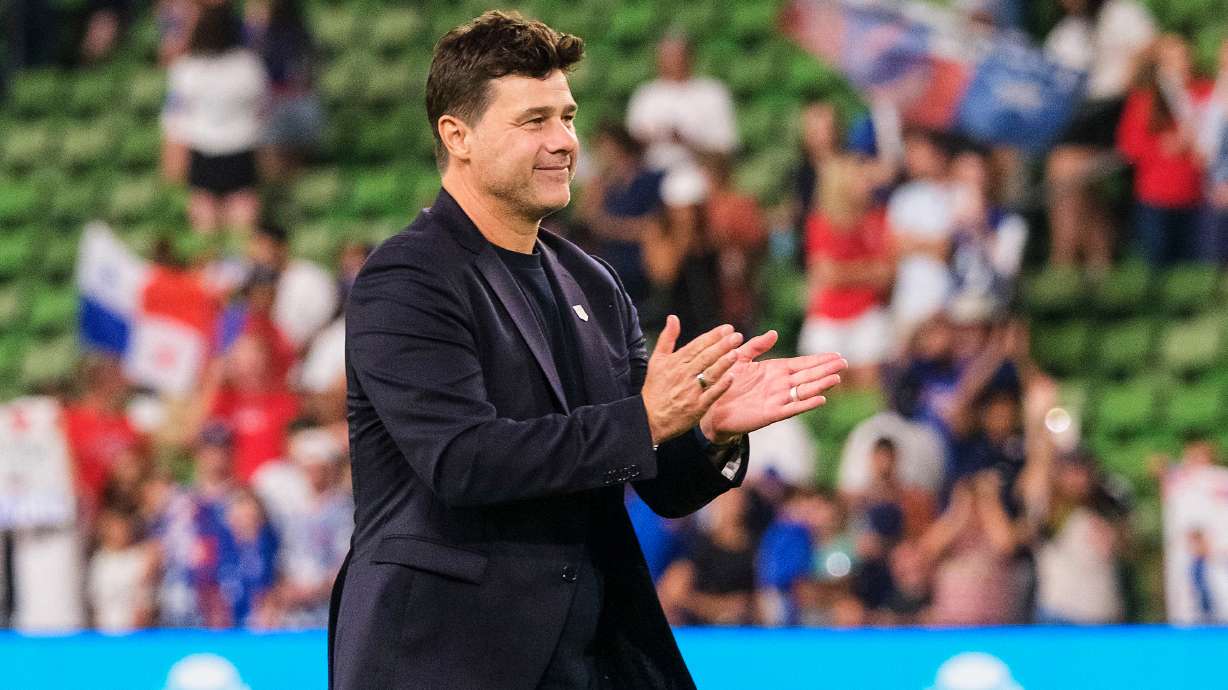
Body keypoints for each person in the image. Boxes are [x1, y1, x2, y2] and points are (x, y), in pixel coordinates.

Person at [329, 12, 848, 690]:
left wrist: (708, 429)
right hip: (449, 655)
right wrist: (647, 420)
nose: (565, 142)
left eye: (567, 117)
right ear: (458, 136)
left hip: (590, 659)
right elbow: (461, 461)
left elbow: (656, 478)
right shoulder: (409, 278)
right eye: (534, 121)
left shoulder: (593, 282)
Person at [1044, 0, 1156, 269]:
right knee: (1077, 181)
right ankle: (1094, 261)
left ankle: (1064, 260)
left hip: (1119, 109)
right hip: (1082, 114)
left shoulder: (1124, 14)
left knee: (1066, 171)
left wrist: (1131, 76)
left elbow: (1151, 52)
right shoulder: (1064, 34)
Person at [161, 4, 268, 235]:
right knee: (241, 204)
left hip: (206, 148)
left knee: (205, 208)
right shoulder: (248, 65)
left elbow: (174, 118)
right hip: (238, 147)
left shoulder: (185, 69)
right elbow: (263, 108)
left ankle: (212, 255)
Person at [798, 155, 893, 388]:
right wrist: (866, 271)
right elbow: (826, 273)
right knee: (826, 383)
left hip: (867, 312)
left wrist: (843, 273)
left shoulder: (877, 219)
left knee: (867, 383)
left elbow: (886, 274)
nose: (867, 184)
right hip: (829, 314)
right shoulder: (821, 222)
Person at [1117, 35, 1212, 266]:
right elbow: (1129, 145)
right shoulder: (1146, 98)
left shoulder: (1204, 91)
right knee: (1160, 262)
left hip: (1198, 193)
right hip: (1157, 194)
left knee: (1197, 265)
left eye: (1185, 56)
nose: (1183, 63)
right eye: (1174, 58)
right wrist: (1163, 146)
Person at [625, 33, 738, 174]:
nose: (671, 61)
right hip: (650, 171)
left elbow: (726, 146)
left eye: (676, 55)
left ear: (690, 56)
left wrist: (686, 141)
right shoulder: (646, 94)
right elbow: (629, 144)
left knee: (682, 187)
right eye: (666, 55)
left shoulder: (712, 92)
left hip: (697, 170)